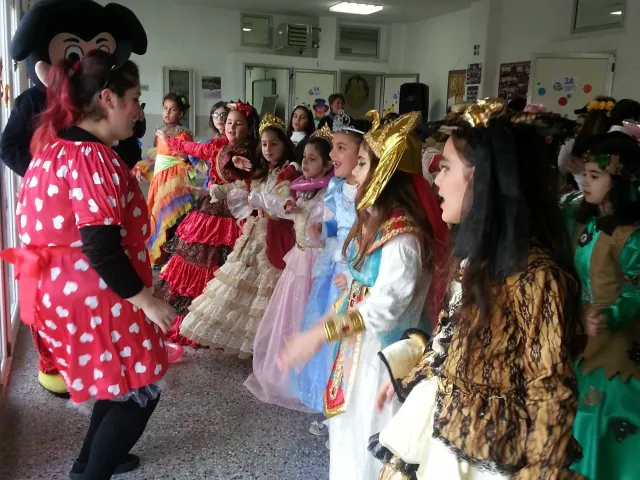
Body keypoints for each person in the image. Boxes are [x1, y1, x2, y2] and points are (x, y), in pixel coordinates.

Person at [369, 100, 584, 479]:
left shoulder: (535, 276)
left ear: (483, 181)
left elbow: (550, 391)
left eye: (445, 168)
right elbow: (451, 342)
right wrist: (415, 374)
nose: (436, 179)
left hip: (488, 455)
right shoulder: (474, 261)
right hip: (442, 431)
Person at [0, 50, 173, 479]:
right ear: (108, 99)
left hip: (64, 292)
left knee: (119, 382)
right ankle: (92, 471)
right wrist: (147, 301)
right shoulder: (92, 158)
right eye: (135, 99)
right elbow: (101, 247)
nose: (139, 111)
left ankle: (89, 462)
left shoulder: (52, 148)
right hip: (98, 293)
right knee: (142, 385)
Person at [279, 110, 449, 480]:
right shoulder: (379, 223)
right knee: (347, 439)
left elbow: (383, 310)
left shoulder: (403, 238)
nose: (354, 172)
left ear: (384, 173)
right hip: (358, 355)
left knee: (369, 448)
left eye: (362, 164)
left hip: (382, 365)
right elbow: (365, 289)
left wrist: (319, 333)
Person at [0, 0, 148, 398]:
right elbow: (10, 147)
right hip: (78, 258)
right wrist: (57, 182)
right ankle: (69, 374)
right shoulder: (76, 148)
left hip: (77, 247)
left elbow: (126, 151)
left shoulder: (82, 150)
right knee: (123, 380)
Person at [178, 114, 301, 358]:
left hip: (275, 237)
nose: (268, 149)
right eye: (264, 144)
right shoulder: (261, 171)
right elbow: (239, 187)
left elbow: (285, 204)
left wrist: (264, 205)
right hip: (255, 233)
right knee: (241, 282)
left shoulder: (289, 171)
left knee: (267, 287)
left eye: (274, 144)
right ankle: (251, 342)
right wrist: (212, 190)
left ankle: (268, 343)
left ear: (284, 145)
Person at [562, 133, 640, 480]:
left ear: (619, 181)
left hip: (616, 342)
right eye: (586, 174)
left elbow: (637, 291)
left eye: (595, 176)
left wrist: (610, 315)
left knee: (602, 414)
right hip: (585, 334)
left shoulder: (631, 236)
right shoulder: (588, 223)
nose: (586, 181)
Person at [289, 111, 371, 440]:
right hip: (336, 271)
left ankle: (352, 409)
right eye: (333, 147)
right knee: (330, 346)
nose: (333, 155)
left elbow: (369, 235)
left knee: (352, 343)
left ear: (363, 154)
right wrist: (323, 229)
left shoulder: (371, 190)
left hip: (359, 273)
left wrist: (353, 271)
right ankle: (331, 406)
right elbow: (340, 225)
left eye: (341, 148)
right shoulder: (337, 186)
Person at [153, 102, 259, 348]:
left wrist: (233, 159)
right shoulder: (217, 144)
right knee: (199, 261)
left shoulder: (252, 150)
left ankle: (218, 322)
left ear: (248, 127)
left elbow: (241, 167)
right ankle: (194, 318)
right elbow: (194, 148)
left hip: (237, 214)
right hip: (210, 211)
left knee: (228, 266)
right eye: (229, 122)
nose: (231, 127)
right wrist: (171, 141)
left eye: (238, 123)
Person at [245, 126, 334, 410]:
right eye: (304, 157)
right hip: (299, 259)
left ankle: (307, 376)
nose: (305, 163)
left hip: (316, 264)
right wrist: (261, 199)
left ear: (328, 165)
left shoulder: (329, 194)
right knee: (289, 313)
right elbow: (284, 209)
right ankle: (284, 371)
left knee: (307, 313)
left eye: (312, 159)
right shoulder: (302, 191)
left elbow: (327, 224)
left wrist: (303, 214)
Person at [146, 93, 195, 268]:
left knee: (172, 217)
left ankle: (173, 259)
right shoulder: (160, 129)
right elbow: (158, 154)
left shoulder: (183, 132)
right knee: (158, 215)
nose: (167, 113)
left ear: (180, 113)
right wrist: (143, 168)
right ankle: (160, 255)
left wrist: (169, 141)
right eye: (165, 108)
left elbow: (186, 155)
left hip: (174, 179)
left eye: (172, 110)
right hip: (160, 179)